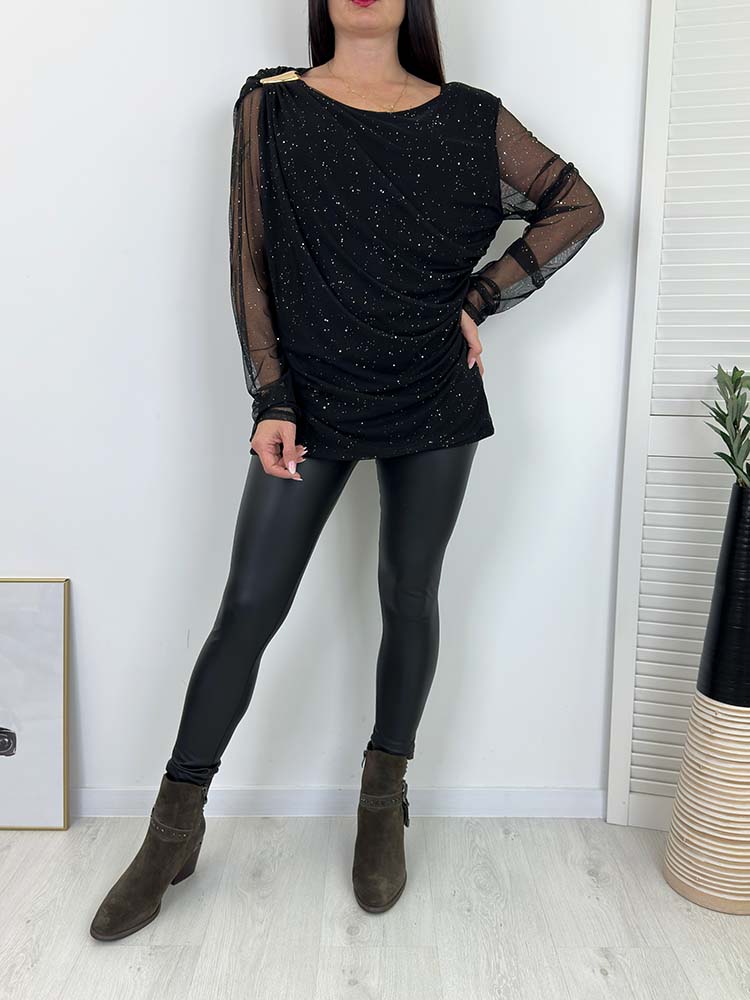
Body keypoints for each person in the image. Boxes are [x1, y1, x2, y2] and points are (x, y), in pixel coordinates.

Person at [89, 0, 604, 940]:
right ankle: (172, 829)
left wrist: (480, 297)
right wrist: (271, 396)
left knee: (410, 595)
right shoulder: (272, 104)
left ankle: (381, 802)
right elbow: (248, 257)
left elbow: (578, 206)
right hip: (311, 397)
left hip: (434, 390)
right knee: (249, 607)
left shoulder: (471, 116)